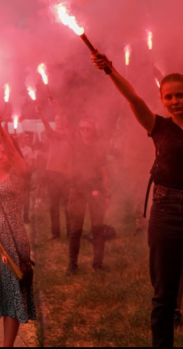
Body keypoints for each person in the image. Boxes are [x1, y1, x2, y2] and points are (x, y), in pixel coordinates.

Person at [92, 54, 183, 348]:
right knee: (164, 294)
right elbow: (133, 99)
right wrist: (111, 70)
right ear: (162, 100)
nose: (174, 101)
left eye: (179, 95)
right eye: (168, 96)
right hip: (165, 213)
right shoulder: (159, 127)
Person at [0, 111, 36, 348]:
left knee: (12, 293)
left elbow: (20, 164)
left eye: (5, 151)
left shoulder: (19, 177)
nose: (1, 155)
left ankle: (8, 346)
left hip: (12, 243)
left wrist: (1, 129)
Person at [66, 118, 110, 275]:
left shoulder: (99, 148)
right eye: (81, 128)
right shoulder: (76, 145)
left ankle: (98, 264)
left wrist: (107, 193)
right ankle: (72, 265)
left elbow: (104, 172)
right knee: (75, 230)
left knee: (98, 228)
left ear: (93, 130)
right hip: (78, 190)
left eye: (87, 128)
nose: (83, 131)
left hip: (96, 189)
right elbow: (65, 125)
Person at [37, 103, 73, 240]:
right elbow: (47, 126)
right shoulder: (53, 135)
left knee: (67, 204)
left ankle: (70, 231)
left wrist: (59, 109)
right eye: (56, 120)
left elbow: (68, 128)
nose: (58, 122)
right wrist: (41, 114)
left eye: (60, 120)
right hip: (52, 173)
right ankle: (55, 232)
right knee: (53, 204)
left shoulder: (70, 137)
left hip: (66, 174)